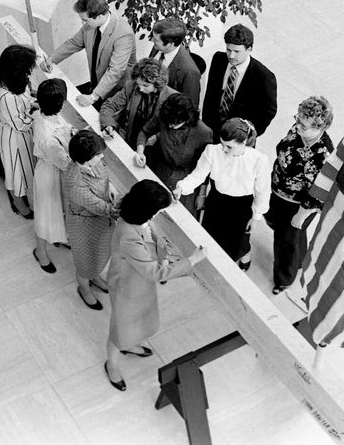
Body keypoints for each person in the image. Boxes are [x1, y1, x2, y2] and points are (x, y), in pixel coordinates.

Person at [104, 180, 206, 391]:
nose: (157, 216)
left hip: (139, 284)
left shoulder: (135, 217)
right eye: (157, 211)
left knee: (134, 321)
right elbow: (157, 273)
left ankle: (129, 344)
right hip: (127, 288)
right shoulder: (128, 237)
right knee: (119, 328)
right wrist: (191, 261)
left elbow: (150, 233)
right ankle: (112, 364)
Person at [174, 118, 271, 270]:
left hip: (241, 208)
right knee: (210, 238)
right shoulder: (212, 151)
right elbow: (198, 175)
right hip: (216, 203)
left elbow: (262, 191)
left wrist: (256, 217)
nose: (224, 150)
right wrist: (182, 187)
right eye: (222, 144)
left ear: (244, 142)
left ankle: (236, 260)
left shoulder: (258, 160)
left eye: (229, 147)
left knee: (236, 243)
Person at [265, 96, 334, 294]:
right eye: (298, 120)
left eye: (304, 125)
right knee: (292, 235)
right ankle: (300, 259)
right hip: (279, 193)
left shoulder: (323, 154)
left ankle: (284, 278)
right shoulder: (299, 130)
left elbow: (319, 192)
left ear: (320, 127)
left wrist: (301, 216)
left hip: (297, 206)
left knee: (285, 240)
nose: (297, 126)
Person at [41, 0, 136, 110]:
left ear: (100, 16)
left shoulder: (123, 34)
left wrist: (93, 96)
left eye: (85, 20)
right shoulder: (90, 25)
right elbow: (74, 43)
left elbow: (115, 71)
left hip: (116, 92)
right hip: (96, 83)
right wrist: (52, 59)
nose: (82, 23)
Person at [61, 130, 119, 310]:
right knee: (85, 261)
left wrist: (110, 185)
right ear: (85, 158)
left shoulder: (94, 161)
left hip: (100, 221)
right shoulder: (74, 182)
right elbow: (101, 208)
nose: (102, 156)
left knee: (99, 254)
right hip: (85, 226)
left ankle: (95, 275)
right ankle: (84, 288)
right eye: (97, 154)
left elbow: (104, 176)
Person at [134, 93, 213, 216]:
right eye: (168, 123)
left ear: (187, 119)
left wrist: (202, 194)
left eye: (174, 124)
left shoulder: (204, 132)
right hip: (160, 173)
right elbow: (145, 131)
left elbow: (205, 167)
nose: (170, 126)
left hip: (186, 183)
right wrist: (140, 151)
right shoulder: (164, 117)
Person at [201, 24, 278, 143]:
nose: (231, 56)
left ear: (249, 48)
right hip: (211, 131)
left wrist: (248, 134)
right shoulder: (218, 60)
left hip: (238, 139)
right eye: (228, 50)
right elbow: (210, 95)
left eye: (237, 51)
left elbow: (268, 111)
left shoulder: (264, 77)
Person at [31, 78, 75, 273]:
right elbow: (65, 162)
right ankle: (40, 251)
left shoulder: (41, 114)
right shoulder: (50, 139)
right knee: (46, 213)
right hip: (50, 174)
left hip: (49, 169)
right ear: (62, 103)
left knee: (59, 210)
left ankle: (59, 237)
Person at [0, 44, 37, 218]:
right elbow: (19, 123)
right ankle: (19, 204)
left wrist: (33, 103)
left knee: (27, 168)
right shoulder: (5, 96)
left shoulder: (19, 80)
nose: (30, 72)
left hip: (23, 132)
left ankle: (27, 196)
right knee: (16, 171)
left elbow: (26, 100)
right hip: (12, 136)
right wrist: (39, 115)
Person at [99, 58, 178, 149]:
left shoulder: (173, 98)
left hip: (151, 147)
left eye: (145, 86)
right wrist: (108, 124)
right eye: (138, 84)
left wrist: (158, 136)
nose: (140, 89)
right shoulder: (131, 86)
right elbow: (110, 105)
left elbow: (177, 129)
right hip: (127, 137)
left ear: (158, 83)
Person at [148, 18, 201, 105]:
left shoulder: (190, 72)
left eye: (156, 40)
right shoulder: (158, 47)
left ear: (171, 44)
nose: (152, 40)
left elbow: (190, 107)